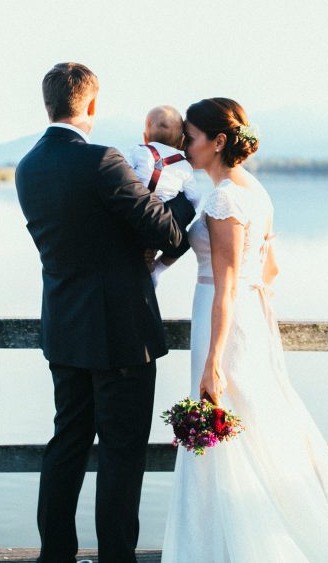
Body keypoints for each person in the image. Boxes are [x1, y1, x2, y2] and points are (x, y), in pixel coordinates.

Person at [161, 98, 328, 562]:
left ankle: (226, 547)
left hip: (224, 323)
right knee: (254, 425)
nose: (184, 144)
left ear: (218, 142)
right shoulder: (254, 190)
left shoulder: (222, 199)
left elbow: (227, 287)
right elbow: (271, 270)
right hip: (250, 321)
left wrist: (214, 362)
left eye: (191, 137)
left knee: (225, 424)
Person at [15, 62, 196, 563]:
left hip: (64, 330)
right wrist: (187, 201)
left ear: (47, 104)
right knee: (120, 452)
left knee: (67, 443)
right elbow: (168, 233)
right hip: (122, 332)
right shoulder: (103, 161)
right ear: (91, 105)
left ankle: (56, 556)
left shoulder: (27, 167)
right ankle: (116, 558)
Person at [124, 105, 202, 286]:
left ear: (145, 136)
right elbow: (194, 198)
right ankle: (156, 270)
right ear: (181, 142)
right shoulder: (184, 165)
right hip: (163, 222)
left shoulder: (137, 151)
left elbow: (122, 176)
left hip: (134, 216)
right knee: (183, 244)